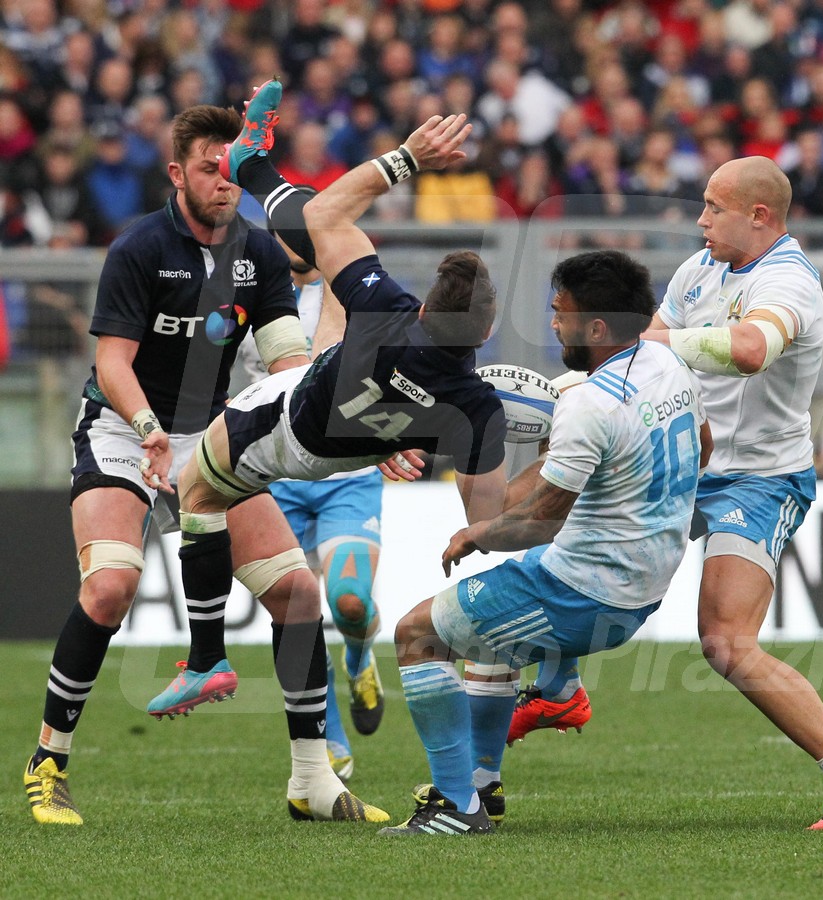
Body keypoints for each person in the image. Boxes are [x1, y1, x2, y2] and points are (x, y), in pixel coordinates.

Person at [514, 156, 823, 831]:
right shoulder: (701, 270)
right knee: (569, 519)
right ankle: (557, 688)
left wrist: (653, 341)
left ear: (759, 216)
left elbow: (751, 348)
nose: (700, 220)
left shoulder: (790, 281)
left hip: (759, 478)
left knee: (726, 643)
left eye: (712, 208)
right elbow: (650, 356)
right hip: (685, 457)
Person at [23, 101, 387, 827]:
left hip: (211, 437)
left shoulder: (257, 254)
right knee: (110, 589)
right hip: (124, 429)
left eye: (231, 167)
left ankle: (312, 782)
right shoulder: (138, 248)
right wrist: (151, 426)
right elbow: (111, 360)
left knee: (298, 595)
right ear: (177, 174)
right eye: (207, 167)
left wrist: (368, 428)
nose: (224, 179)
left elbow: (289, 364)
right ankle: (47, 763)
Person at [155, 79, 511, 804]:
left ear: (427, 304)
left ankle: (205, 658)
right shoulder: (475, 405)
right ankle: (255, 164)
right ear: (483, 335)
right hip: (341, 447)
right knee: (305, 593)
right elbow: (488, 520)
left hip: (284, 425)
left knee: (193, 488)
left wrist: (409, 156)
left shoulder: (385, 306)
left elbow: (326, 215)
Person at [378, 249, 711, 836]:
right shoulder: (667, 364)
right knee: (496, 642)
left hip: (583, 590)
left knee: (417, 634)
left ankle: (456, 808)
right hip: (646, 580)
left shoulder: (589, 403)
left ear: (597, 327)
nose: (553, 323)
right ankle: (485, 782)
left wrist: (475, 532)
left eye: (560, 313)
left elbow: (538, 523)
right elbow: (702, 446)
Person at [232, 203, 388, 780]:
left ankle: (360, 654)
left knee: (349, 602)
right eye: (282, 227)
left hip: (346, 472)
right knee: (297, 611)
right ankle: (331, 739)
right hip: (277, 476)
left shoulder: (349, 291)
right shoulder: (250, 291)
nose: (291, 237)